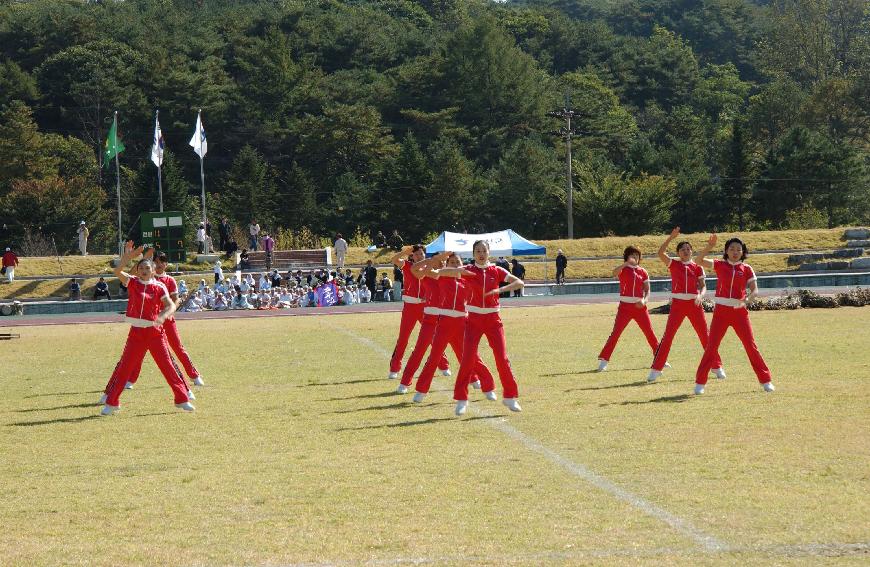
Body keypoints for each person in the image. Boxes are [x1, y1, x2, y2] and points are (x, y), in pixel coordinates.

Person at [100, 242, 193, 415]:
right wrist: (126, 258)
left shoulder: (159, 286)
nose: (143, 271)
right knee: (124, 369)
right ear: (138, 270)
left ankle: (182, 399)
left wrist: (163, 316)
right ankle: (111, 403)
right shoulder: (133, 282)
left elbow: (171, 305)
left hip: (155, 333)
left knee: (168, 366)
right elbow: (117, 272)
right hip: (136, 333)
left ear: (152, 270)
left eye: (146, 268)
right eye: (140, 268)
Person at [693, 235, 775, 395]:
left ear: (743, 251)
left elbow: (755, 289)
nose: (735, 252)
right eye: (732, 249)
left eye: (738, 249)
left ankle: (766, 381)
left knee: (750, 346)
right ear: (726, 251)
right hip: (721, 312)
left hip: (740, 312)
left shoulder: (747, 268)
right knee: (711, 347)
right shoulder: (719, 264)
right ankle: (700, 383)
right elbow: (698, 260)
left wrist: (748, 300)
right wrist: (709, 247)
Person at [408, 252, 495, 402]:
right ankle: (421, 391)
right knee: (434, 357)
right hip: (444, 322)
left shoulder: (469, 277)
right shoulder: (440, 275)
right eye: (452, 262)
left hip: (463, 323)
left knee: (472, 356)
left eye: (457, 262)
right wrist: (433, 260)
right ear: (447, 264)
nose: (455, 264)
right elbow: (415, 271)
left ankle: (488, 387)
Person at [452, 240, 524, 416]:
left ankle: (510, 396)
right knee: (467, 358)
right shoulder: (469, 270)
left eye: (484, 250)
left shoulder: (497, 270)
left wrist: (499, 291)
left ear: (489, 252)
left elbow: (519, 283)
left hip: (493, 320)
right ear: (473, 253)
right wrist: (437, 269)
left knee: (502, 358)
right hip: (474, 320)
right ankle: (462, 398)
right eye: (478, 251)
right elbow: (447, 272)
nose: (481, 253)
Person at [647, 228, 725, 383]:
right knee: (668, 336)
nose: (686, 251)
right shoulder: (673, 264)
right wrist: (671, 237)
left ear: (692, 251)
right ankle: (656, 369)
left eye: (688, 249)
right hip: (677, 304)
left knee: (706, 336)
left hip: (694, 304)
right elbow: (660, 253)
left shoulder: (697, 266)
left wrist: (700, 296)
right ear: (678, 253)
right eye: (682, 249)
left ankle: (717, 367)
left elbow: (703, 286)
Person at [395, 254, 456, 392]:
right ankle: (405, 383)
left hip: (448, 318)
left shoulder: (452, 274)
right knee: (419, 351)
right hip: (430, 318)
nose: (441, 263)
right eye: (438, 261)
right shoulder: (427, 274)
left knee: (464, 350)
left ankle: (475, 378)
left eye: (443, 261)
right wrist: (429, 261)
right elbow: (414, 269)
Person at [596, 246, 660, 372]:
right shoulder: (623, 269)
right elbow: (613, 273)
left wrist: (645, 301)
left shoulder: (643, 271)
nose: (635, 257)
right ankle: (604, 360)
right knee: (616, 333)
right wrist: (625, 264)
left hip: (640, 307)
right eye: (632, 255)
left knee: (650, 333)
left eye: (637, 255)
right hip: (624, 307)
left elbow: (647, 290)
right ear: (627, 257)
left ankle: (660, 360)